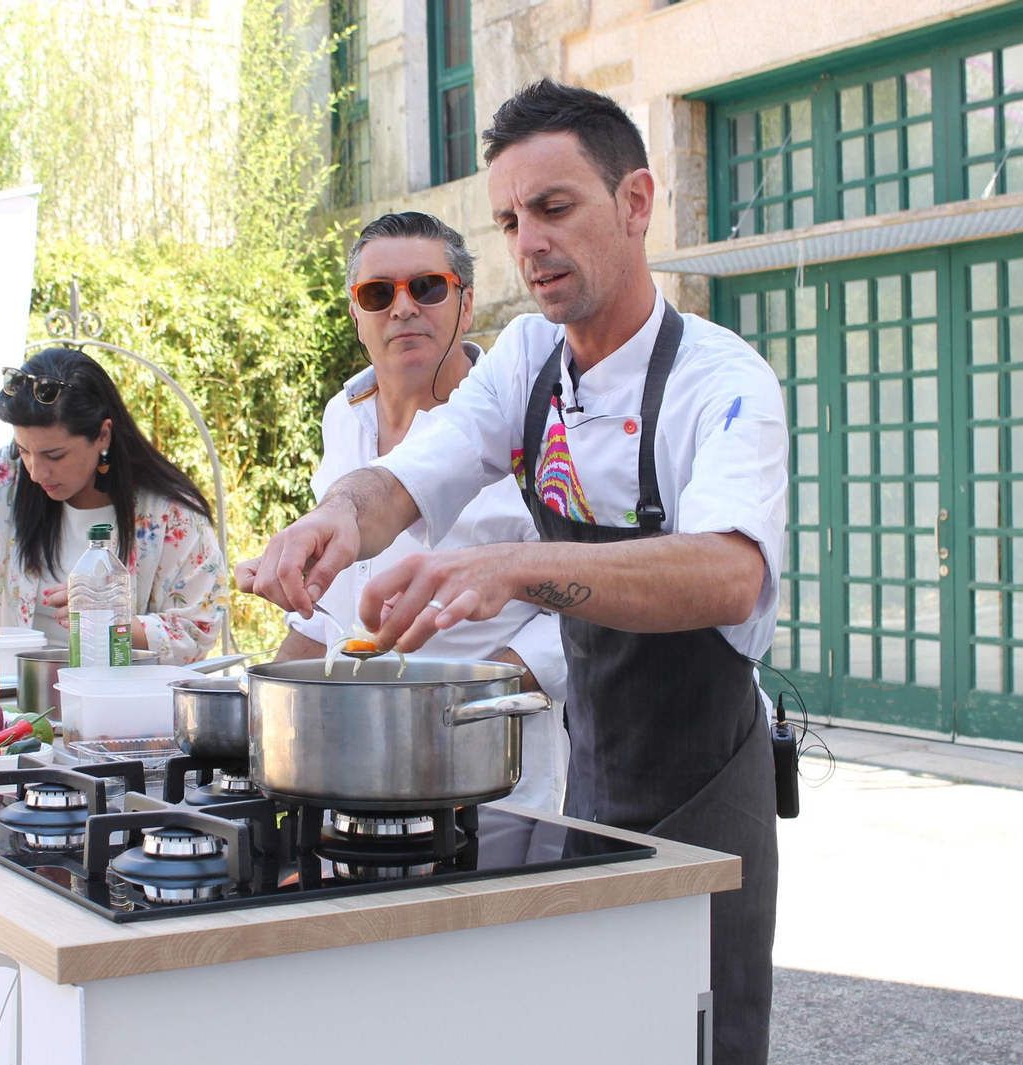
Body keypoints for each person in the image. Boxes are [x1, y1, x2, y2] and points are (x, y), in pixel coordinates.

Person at [238, 79, 786, 1064]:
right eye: (507, 219)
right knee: (591, 1033)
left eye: (553, 207)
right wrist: (331, 521)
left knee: (704, 1038)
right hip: (591, 770)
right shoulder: (529, 357)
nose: (526, 241)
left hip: (705, 780)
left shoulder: (722, 382)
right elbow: (414, 476)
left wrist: (512, 567)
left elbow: (727, 575)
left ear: (634, 202)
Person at [276, 210, 569, 813]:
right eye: (378, 293)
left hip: (493, 768)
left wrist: (464, 699)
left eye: (427, 287)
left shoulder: (532, 418)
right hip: (349, 761)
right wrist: (266, 707)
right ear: (356, 316)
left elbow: (582, 605)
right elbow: (326, 610)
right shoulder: (342, 415)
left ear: (465, 304)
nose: (403, 308)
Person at [0, 346, 226, 664]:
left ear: (103, 434)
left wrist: (116, 621)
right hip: (8, 711)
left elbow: (200, 628)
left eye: (54, 455)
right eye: (24, 450)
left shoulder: (170, 515)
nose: (35, 471)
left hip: (119, 712)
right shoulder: (0, 479)